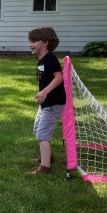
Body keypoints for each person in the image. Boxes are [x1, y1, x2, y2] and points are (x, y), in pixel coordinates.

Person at [28, 26, 66, 175]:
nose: (30, 44)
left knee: (43, 134)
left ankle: (45, 167)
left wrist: (44, 91)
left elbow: (59, 77)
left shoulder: (50, 58)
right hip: (46, 103)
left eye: (33, 41)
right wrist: (42, 93)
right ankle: (47, 157)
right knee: (37, 129)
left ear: (44, 42)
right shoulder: (41, 60)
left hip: (54, 103)